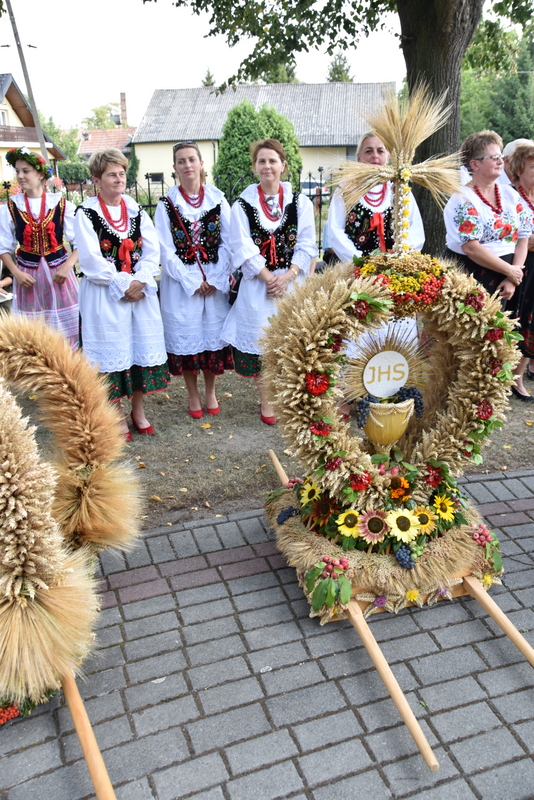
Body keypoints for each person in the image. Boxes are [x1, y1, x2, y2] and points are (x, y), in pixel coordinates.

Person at [74, 148, 169, 439]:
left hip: (138, 295)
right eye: (111, 174)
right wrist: (122, 284)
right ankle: (115, 415)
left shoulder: (135, 209)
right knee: (110, 354)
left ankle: (138, 411)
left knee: (139, 349)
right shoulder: (86, 212)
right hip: (106, 296)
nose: (118, 179)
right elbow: (90, 258)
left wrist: (141, 279)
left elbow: (152, 250)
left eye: (122, 173)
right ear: (96, 180)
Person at [222, 138, 317, 424]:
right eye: (261, 161)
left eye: (272, 161)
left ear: (283, 165)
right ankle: (266, 399)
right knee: (264, 344)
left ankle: (290, 396)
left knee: (292, 342)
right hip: (258, 285)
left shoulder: (300, 202)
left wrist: (288, 276)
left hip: (292, 283)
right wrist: (269, 279)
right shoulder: (242, 205)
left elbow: (307, 243)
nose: (267, 166)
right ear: (254, 167)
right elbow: (242, 247)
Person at [154, 141, 233, 418]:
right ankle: (192, 394)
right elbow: (164, 248)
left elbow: (229, 241)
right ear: (175, 168)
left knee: (211, 339)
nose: (187, 165)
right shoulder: (166, 205)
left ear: (201, 164)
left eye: (191, 159)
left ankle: (210, 392)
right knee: (188, 339)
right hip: (181, 285)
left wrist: (215, 277)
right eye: (181, 161)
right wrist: (190, 280)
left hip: (213, 282)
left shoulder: (218, 199)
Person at [0, 147, 79, 346]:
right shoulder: (11, 207)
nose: (20, 176)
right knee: (33, 332)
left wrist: (67, 267)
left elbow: (80, 244)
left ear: (40, 174)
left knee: (65, 333)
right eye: (17, 171)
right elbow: (3, 247)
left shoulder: (61, 205)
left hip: (59, 275)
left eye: (25, 171)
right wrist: (16, 274)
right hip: (28, 277)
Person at [444, 131, 528, 304]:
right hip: (469, 277)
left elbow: (523, 238)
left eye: (501, 156)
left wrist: (513, 277)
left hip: (506, 280)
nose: (500, 161)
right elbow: (471, 248)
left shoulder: (510, 195)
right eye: (493, 157)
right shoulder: (463, 198)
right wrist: (510, 271)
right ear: (475, 164)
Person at [328, 132, 425, 261]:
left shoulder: (399, 188)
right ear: (358, 158)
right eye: (368, 151)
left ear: (388, 157)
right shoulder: (346, 190)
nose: (375, 156)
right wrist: (359, 261)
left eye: (380, 151)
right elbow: (335, 231)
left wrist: (400, 258)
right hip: (355, 271)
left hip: (395, 270)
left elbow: (415, 228)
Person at [509, 142, 534, 401]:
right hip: (521, 266)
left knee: (533, 322)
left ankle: (519, 376)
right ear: (519, 169)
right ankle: (508, 377)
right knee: (519, 319)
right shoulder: (512, 197)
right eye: (533, 166)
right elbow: (521, 239)